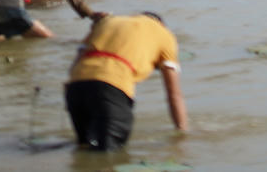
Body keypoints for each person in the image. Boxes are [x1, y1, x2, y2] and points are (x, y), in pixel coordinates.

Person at [66, 12, 188, 151]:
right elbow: (174, 94)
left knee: (85, 147)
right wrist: (182, 132)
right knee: (109, 158)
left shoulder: (108, 21)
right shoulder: (164, 34)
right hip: (111, 87)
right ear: (161, 24)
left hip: (76, 86)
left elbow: (76, 61)